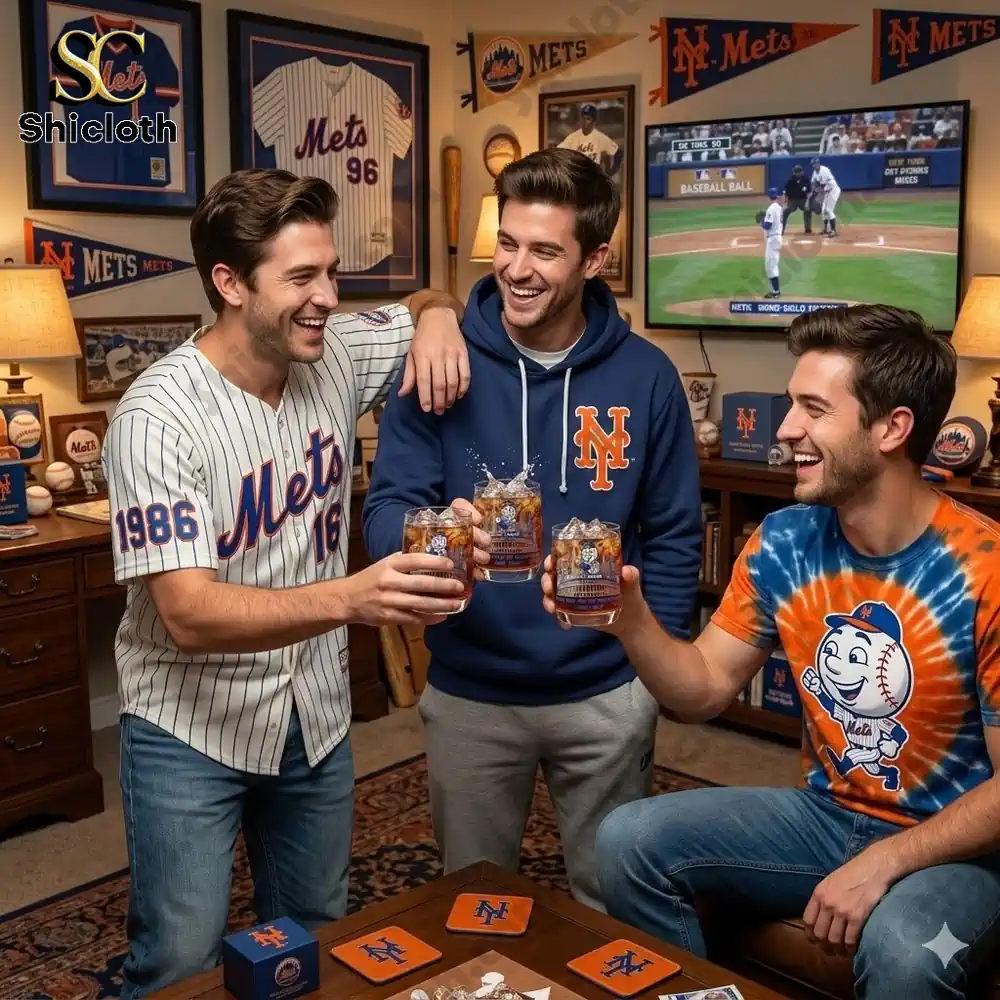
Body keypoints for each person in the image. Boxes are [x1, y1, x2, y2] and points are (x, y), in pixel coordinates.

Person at [540, 304, 1000, 998]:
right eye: (791, 405)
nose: (786, 430)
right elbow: (700, 692)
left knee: (905, 952)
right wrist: (628, 620)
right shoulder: (784, 539)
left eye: (814, 409)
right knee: (626, 841)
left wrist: (887, 861)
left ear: (892, 428)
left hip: (957, 847)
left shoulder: (986, 570)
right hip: (826, 815)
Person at [102, 166, 473, 999]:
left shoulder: (332, 345)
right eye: (301, 278)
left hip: (312, 714)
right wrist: (353, 598)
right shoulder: (156, 417)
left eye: (331, 273)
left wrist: (441, 317)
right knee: (178, 961)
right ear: (229, 284)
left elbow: (425, 298)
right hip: (188, 728)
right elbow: (188, 614)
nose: (325, 296)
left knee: (316, 940)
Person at [362, 146, 703, 911]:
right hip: (471, 692)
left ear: (595, 257)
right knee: (474, 908)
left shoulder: (647, 376)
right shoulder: (439, 363)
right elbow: (383, 510)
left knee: (612, 908)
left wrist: (656, 675)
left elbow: (677, 531)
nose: (517, 268)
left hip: (606, 690)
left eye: (545, 250)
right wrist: (425, 537)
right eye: (507, 244)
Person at [759, 187, 783, 299]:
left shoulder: (771, 209)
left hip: (773, 238)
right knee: (772, 265)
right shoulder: (779, 208)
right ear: (777, 196)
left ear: (769, 196)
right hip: (778, 238)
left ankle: (776, 291)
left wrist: (761, 223)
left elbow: (767, 225)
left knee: (770, 266)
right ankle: (775, 290)